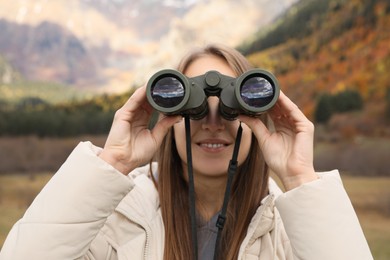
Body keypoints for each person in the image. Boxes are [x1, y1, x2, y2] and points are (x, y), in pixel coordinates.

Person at [0, 44, 373, 260]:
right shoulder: (116, 220)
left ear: (258, 116)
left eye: (231, 106)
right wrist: (112, 162)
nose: (212, 120)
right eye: (192, 107)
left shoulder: (293, 231)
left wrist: (299, 178)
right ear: (170, 118)